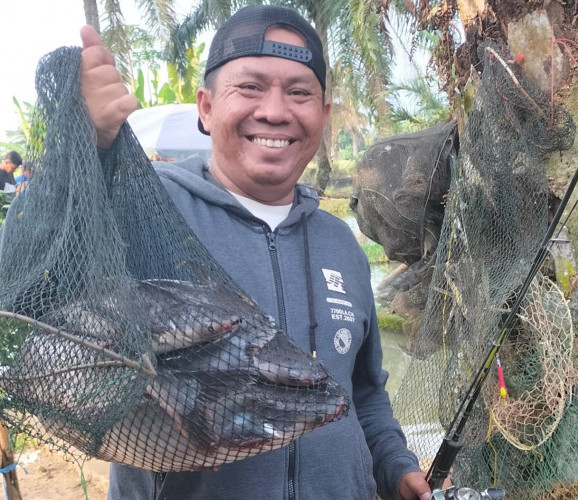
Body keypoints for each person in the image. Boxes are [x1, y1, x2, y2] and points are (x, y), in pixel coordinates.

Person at [79, 5, 435, 499]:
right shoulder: (141, 209)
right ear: (206, 107)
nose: (274, 110)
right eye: (249, 87)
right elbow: (29, 278)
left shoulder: (341, 242)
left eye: (299, 92)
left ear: (323, 116)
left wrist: (396, 466)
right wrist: (84, 146)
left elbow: (364, 392)